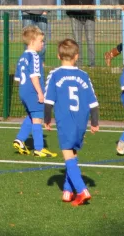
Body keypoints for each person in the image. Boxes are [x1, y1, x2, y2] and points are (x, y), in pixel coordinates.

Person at [44, 39, 100, 206]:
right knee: (73, 154)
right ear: (77, 56)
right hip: (81, 120)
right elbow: (93, 102)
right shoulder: (84, 75)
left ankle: (82, 190)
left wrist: (47, 119)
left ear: (58, 56)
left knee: (67, 155)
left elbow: (48, 101)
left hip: (65, 120)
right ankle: (68, 191)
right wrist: (95, 121)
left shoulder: (54, 75)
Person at [12, 26, 57, 157]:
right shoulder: (35, 57)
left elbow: (18, 78)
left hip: (23, 90)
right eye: (40, 41)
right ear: (32, 41)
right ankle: (39, 148)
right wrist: (40, 93)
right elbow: (34, 76)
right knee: (38, 118)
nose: (42, 44)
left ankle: (20, 140)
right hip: (33, 91)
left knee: (32, 116)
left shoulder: (22, 57)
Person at [64, 0, 104, 67]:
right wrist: (70, 13)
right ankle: (78, 64)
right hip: (75, 16)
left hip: (89, 16)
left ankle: (92, 64)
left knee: (90, 40)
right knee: (77, 41)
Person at [15, 0, 54, 64]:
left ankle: (41, 62)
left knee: (42, 39)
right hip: (27, 14)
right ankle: (28, 61)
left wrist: (46, 10)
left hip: (41, 15)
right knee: (27, 38)